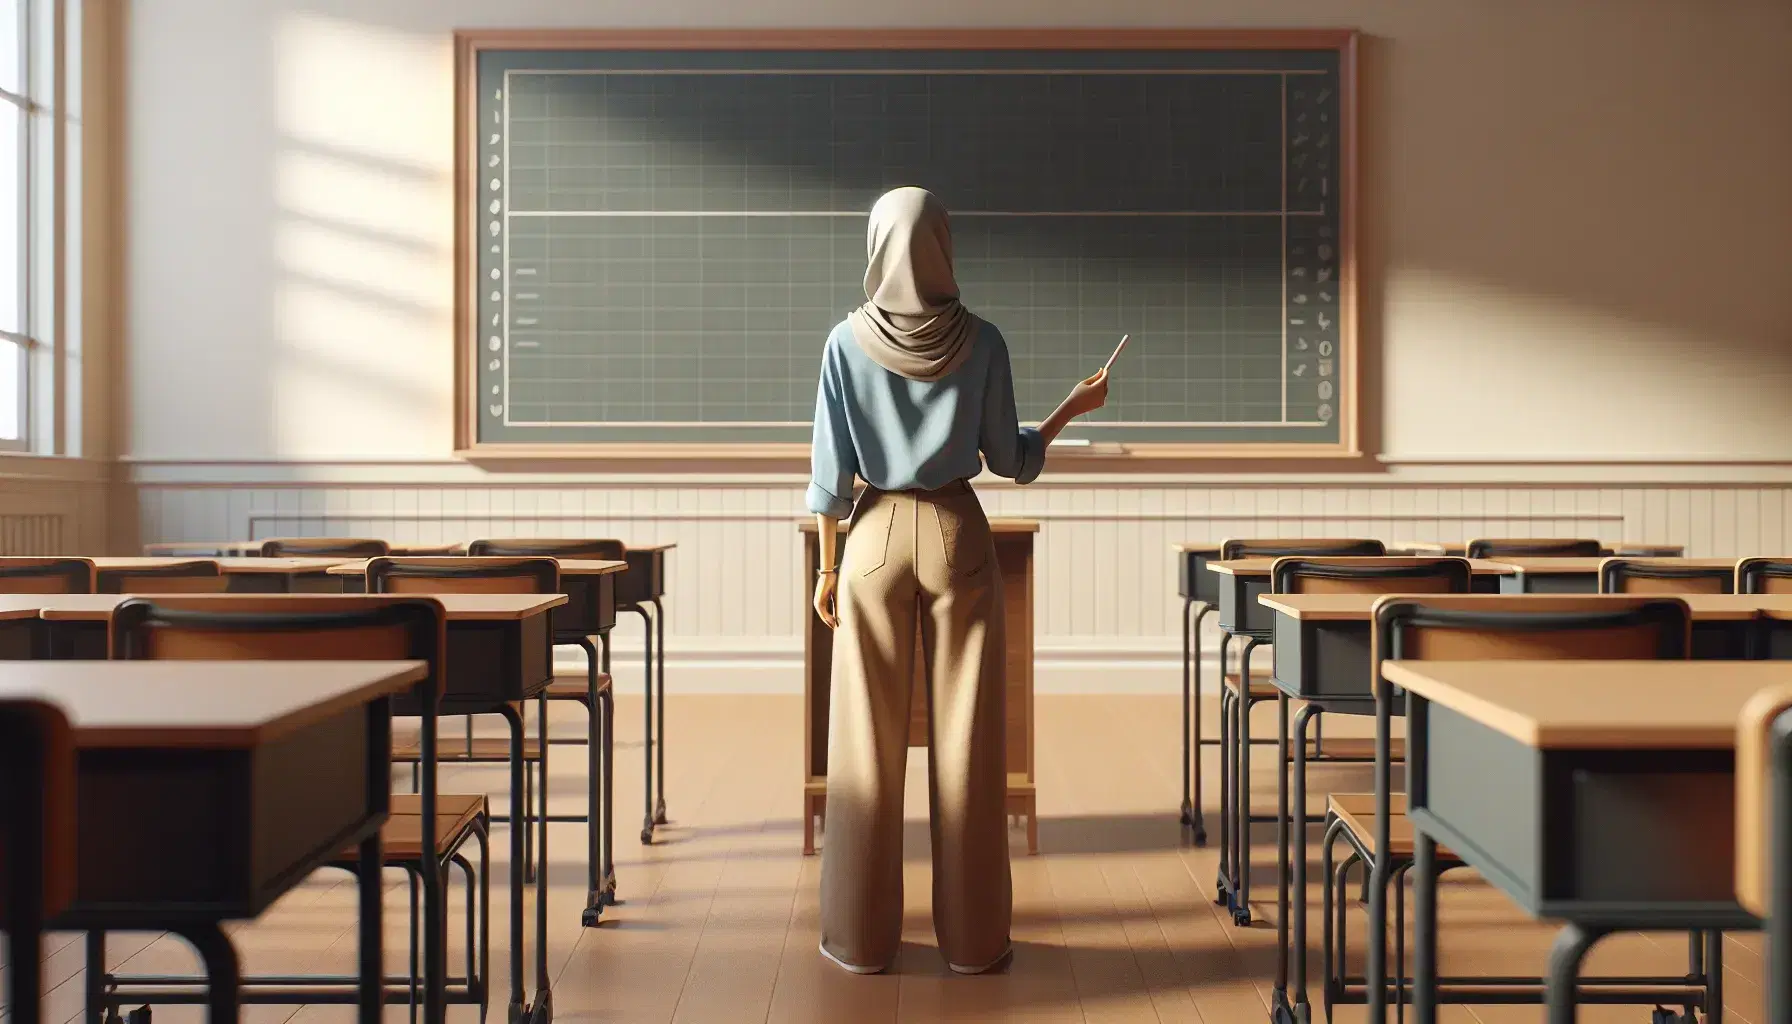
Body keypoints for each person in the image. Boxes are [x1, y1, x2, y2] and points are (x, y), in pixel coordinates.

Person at [807, 186, 1110, 975]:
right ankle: (975, 943)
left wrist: (828, 565)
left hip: (870, 537)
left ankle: (859, 940)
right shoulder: (982, 341)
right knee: (969, 746)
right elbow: (1010, 461)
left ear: (876, 246)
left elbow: (829, 476)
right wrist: (1069, 411)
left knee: (864, 749)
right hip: (955, 532)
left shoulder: (844, 343)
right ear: (944, 244)